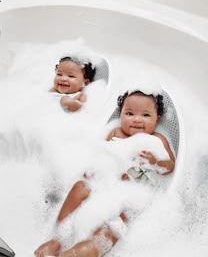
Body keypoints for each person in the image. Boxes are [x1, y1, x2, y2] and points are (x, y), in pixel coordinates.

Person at [34, 90, 175, 257]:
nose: (137, 119)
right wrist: (94, 169)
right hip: (103, 186)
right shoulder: (115, 133)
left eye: (145, 115)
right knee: (81, 187)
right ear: (121, 114)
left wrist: (155, 162)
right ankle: (58, 238)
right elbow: (101, 157)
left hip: (128, 198)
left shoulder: (157, 140)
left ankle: (79, 252)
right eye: (129, 113)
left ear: (157, 119)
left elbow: (169, 166)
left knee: (112, 229)